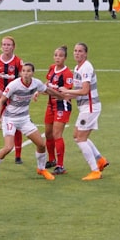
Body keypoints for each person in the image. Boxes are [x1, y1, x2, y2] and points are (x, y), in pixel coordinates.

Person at [0, 63, 58, 185]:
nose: (26, 73)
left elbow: (47, 90)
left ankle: (41, 169)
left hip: (24, 119)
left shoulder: (36, 83)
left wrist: (63, 96)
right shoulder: (14, 85)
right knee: (8, 147)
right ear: (21, 73)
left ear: (32, 73)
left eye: (28, 71)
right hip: (10, 119)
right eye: (23, 71)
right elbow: (1, 101)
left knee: (41, 144)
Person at [59, 43, 109, 181]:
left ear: (86, 54)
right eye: (75, 51)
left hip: (90, 107)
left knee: (81, 139)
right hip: (85, 107)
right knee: (77, 136)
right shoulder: (77, 68)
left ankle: (95, 171)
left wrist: (67, 91)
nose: (77, 53)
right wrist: (68, 95)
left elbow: (85, 90)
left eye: (80, 51)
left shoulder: (86, 67)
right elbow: (79, 91)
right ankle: (100, 160)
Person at [0, 36, 25, 166]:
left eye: (9, 45)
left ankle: (18, 156)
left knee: (16, 126)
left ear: (13, 47)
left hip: (12, 99)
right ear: (1, 46)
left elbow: (22, 78)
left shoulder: (18, 62)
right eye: (4, 45)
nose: (6, 47)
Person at [44, 45, 74, 175]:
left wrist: (50, 91)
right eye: (56, 55)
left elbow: (66, 93)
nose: (57, 58)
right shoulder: (51, 68)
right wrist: (39, 91)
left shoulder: (67, 74)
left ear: (65, 58)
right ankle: (52, 160)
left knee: (57, 134)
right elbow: (47, 84)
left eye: (60, 56)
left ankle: (60, 166)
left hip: (62, 106)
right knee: (48, 134)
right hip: (50, 105)